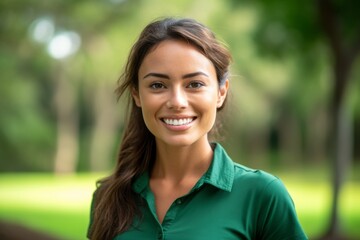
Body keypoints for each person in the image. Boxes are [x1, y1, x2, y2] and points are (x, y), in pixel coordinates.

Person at [87, 17, 308, 240]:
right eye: (157, 85)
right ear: (137, 94)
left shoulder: (262, 195)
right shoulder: (107, 197)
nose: (177, 101)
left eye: (194, 84)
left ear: (221, 92)